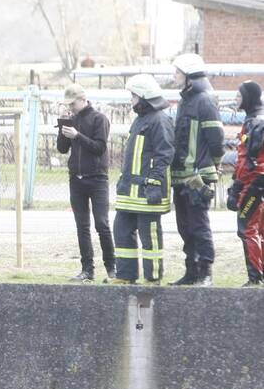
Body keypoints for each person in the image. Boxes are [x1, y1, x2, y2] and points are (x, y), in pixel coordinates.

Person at [110, 74, 175, 285]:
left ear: (144, 97)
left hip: (147, 191)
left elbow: (164, 155)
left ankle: (152, 277)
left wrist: (154, 183)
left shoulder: (159, 121)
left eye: (134, 95)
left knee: (150, 234)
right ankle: (125, 275)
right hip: (130, 192)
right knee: (121, 229)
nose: (131, 99)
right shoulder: (141, 120)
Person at [169, 53, 225, 286]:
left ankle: (206, 272)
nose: (174, 77)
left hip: (197, 178)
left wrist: (214, 165)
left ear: (189, 77)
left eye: (177, 73)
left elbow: (216, 141)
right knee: (184, 226)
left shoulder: (204, 101)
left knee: (199, 225)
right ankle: (191, 271)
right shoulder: (185, 102)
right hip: (182, 177)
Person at [57, 83, 114, 282]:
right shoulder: (71, 119)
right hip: (76, 179)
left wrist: (77, 136)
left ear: (83, 99)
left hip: (97, 178)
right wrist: (63, 124)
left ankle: (111, 268)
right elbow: (62, 149)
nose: (71, 107)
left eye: (72, 104)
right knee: (82, 226)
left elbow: (99, 148)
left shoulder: (99, 119)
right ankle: (87, 270)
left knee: (102, 224)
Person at [229, 80, 264, 286]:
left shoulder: (254, 123)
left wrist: (237, 187)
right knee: (258, 229)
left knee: (247, 228)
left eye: (239, 96)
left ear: (248, 98)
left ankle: (254, 277)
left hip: (253, 184)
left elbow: (246, 161)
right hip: (258, 183)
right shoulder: (257, 119)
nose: (236, 99)